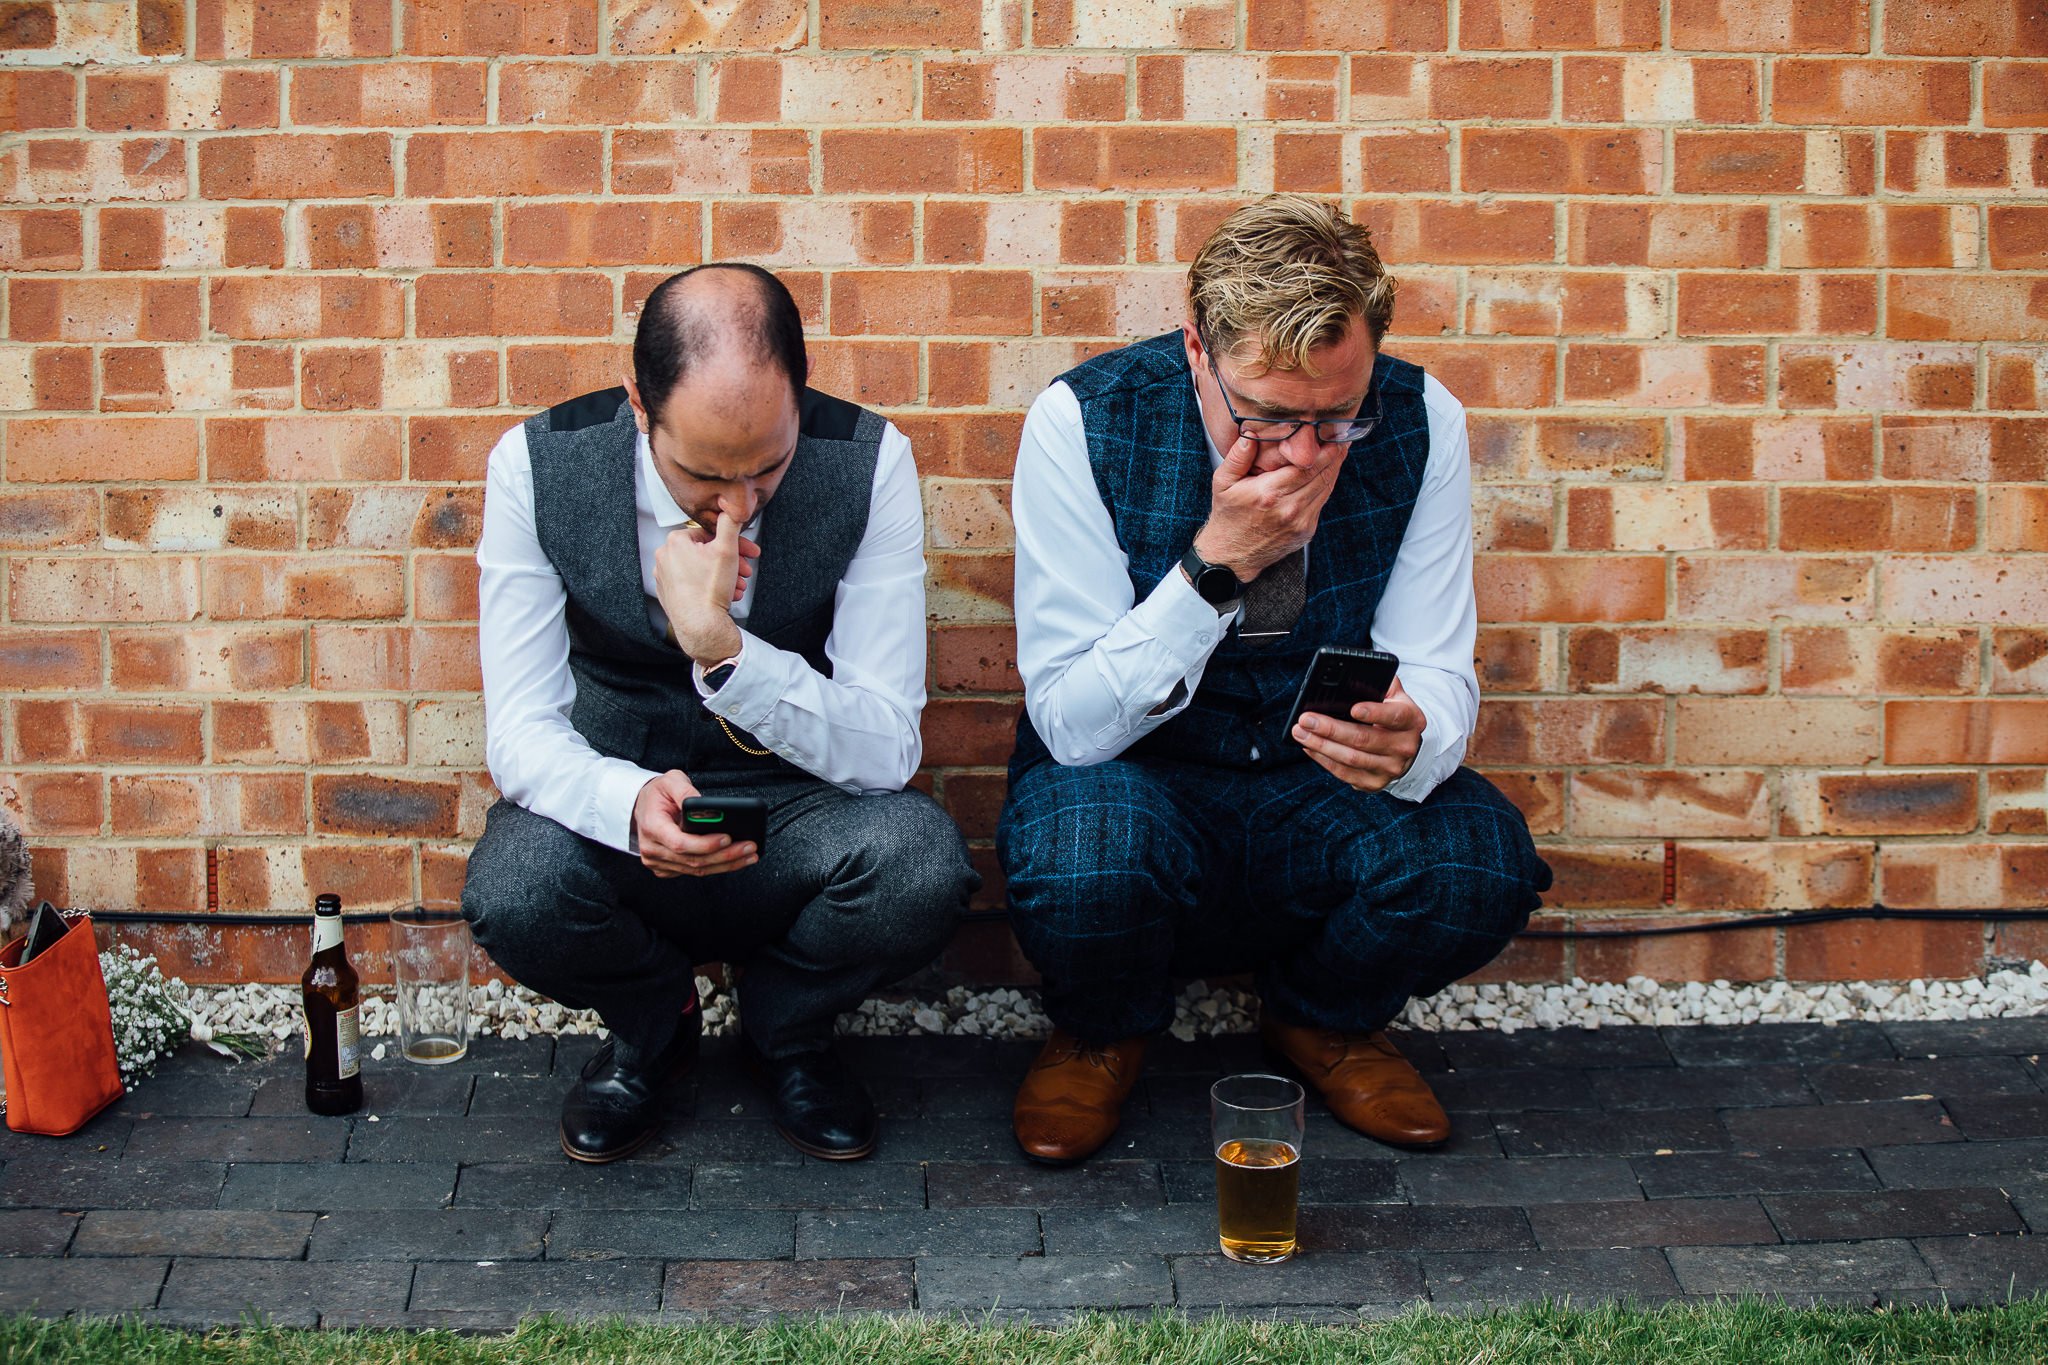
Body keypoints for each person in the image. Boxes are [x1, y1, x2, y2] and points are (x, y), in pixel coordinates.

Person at [999, 195, 1552, 1163]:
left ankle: (1323, 1022)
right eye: (1268, 416)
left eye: (1336, 419)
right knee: (1079, 853)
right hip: (1142, 780)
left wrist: (1417, 734)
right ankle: (1102, 1029)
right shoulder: (1080, 422)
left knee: (1482, 862)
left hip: (1313, 785)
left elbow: (1437, 662)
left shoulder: (1423, 421)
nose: (1302, 453)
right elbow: (1070, 723)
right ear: (1194, 355)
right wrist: (1213, 567)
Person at [464, 263, 976, 1164]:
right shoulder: (534, 467)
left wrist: (722, 648)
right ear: (638, 406)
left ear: (800, 396)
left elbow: (887, 744)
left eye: (769, 468)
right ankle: (655, 1029)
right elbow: (521, 732)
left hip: (800, 815)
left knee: (922, 863)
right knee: (515, 886)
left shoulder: (870, 460)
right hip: (622, 819)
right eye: (703, 476)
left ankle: (787, 1031)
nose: (738, 505)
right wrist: (624, 803)